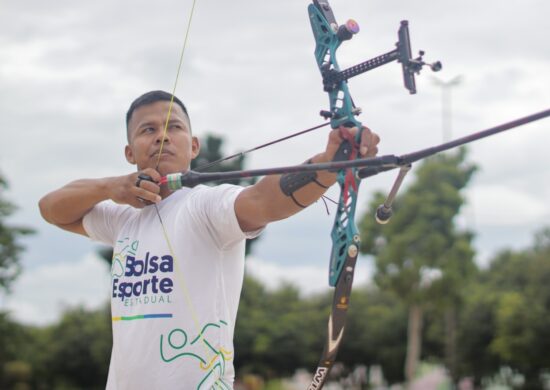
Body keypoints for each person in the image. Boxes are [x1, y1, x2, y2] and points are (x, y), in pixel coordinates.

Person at [39, 90, 380, 389]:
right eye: (148, 130)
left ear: (194, 145)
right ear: (130, 152)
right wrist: (110, 187)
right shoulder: (122, 218)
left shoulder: (204, 206)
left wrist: (327, 164)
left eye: (174, 127)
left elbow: (263, 200)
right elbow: (51, 208)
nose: (162, 137)